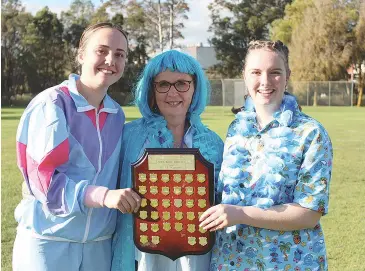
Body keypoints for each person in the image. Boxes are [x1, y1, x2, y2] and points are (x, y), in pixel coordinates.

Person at [12, 22, 141, 271]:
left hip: (99, 246)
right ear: (81, 55)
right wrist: (103, 196)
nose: (110, 60)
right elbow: (45, 182)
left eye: (119, 54)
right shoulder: (52, 104)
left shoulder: (117, 115)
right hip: (48, 242)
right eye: (101, 50)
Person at [199, 40, 333, 271]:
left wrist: (241, 214)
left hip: (288, 262)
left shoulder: (311, 133)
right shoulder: (236, 129)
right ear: (245, 75)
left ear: (288, 75)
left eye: (275, 72)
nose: (265, 81)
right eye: (256, 72)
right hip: (231, 261)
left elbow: (309, 213)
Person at [111, 50, 224, 271]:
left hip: (196, 253)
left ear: (194, 88)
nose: (173, 93)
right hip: (143, 254)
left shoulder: (213, 143)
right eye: (163, 84)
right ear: (151, 90)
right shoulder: (128, 136)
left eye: (182, 83)